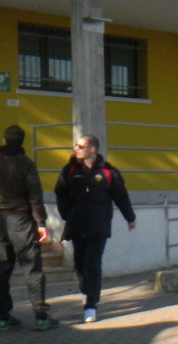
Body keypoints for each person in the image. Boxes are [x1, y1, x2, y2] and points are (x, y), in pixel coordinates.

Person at [0, 124, 58, 331]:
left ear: (4, 141)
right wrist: (41, 223)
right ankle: (41, 317)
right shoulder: (26, 164)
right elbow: (35, 196)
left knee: (2, 270)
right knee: (32, 270)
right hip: (21, 221)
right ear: (22, 142)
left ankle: (3, 317)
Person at [54, 135, 136, 323]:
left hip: (99, 225)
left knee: (93, 263)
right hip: (77, 224)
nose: (76, 149)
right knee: (79, 263)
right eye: (76, 146)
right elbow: (60, 192)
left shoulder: (108, 172)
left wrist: (130, 218)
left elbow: (121, 196)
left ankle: (91, 305)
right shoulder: (70, 170)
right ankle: (86, 292)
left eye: (81, 146)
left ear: (92, 149)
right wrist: (66, 214)